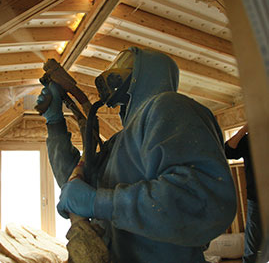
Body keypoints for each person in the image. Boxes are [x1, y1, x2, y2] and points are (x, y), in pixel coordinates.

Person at [37, 47, 237, 263]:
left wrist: (101, 203)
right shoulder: (119, 142)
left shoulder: (168, 107)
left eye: (125, 63)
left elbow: (204, 201)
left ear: (149, 72)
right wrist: (55, 123)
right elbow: (76, 184)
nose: (113, 72)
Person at [225, 124, 263, 263]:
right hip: (257, 199)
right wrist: (245, 129)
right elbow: (228, 151)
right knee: (253, 246)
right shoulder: (250, 140)